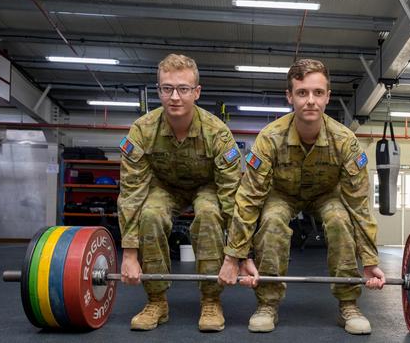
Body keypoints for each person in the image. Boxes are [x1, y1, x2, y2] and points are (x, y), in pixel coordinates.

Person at [218, 58, 385, 335]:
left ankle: (349, 304)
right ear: (290, 96)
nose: (310, 101)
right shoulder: (270, 138)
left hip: (325, 194)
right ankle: (267, 304)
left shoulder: (345, 141)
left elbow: (359, 204)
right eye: (302, 93)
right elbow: (249, 198)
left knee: (340, 218)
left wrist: (369, 261)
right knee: (271, 219)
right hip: (282, 193)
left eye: (318, 93)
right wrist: (235, 255)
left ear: (328, 96)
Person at [118, 53, 242, 332]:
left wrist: (240, 255)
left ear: (196, 92)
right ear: (159, 90)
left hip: (206, 186)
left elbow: (232, 197)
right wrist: (128, 254)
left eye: (183, 89)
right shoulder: (141, 131)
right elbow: (131, 192)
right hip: (164, 186)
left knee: (210, 212)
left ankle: (211, 300)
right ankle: (156, 301)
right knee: (149, 213)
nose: (175, 96)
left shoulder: (218, 133)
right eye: (167, 88)